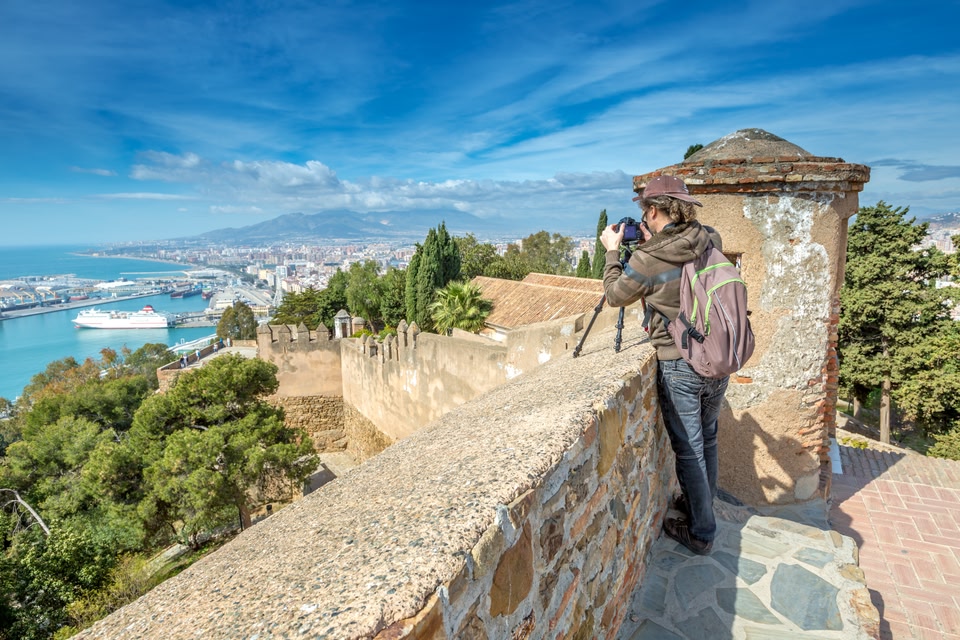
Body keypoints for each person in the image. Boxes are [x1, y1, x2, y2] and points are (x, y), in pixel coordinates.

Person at [600, 174, 728, 556]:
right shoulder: (710, 237)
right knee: (708, 439)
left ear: (652, 210)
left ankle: (702, 532)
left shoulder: (648, 258)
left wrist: (612, 251)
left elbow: (614, 295)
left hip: (678, 362)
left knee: (689, 449)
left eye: (645, 212)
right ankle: (700, 506)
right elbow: (681, 259)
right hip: (717, 357)